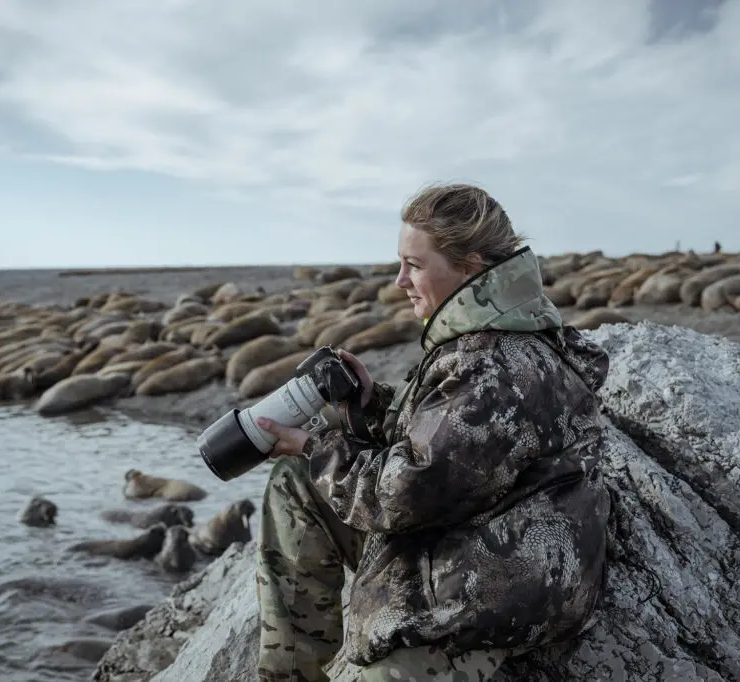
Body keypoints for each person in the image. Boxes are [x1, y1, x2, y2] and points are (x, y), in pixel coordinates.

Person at [254, 183, 612, 682]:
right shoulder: (490, 333)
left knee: (309, 465)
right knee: (296, 481)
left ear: (469, 265)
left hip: (503, 581)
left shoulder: (492, 364)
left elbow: (402, 494)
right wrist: (370, 404)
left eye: (414, 265)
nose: (399, 280)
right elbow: (448, 442)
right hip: (467, 528)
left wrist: (316, 448)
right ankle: (290, 673)